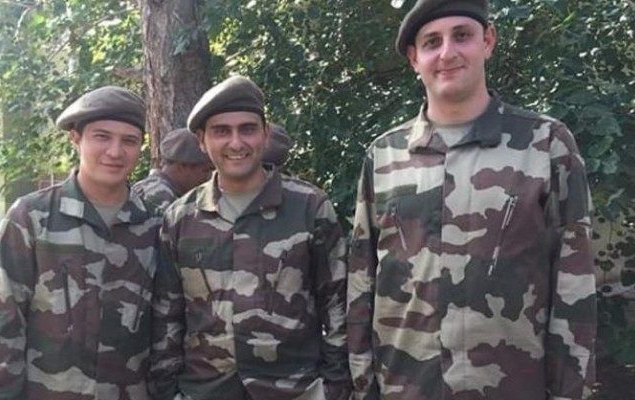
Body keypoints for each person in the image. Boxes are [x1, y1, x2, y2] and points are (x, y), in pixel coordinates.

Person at [346, 1, 596, 399]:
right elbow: (363, 278)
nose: (447, 53)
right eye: (432, 42)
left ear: (488, 41)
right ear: (414, 58)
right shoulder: (384, 155)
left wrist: (569, 392)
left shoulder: (545, 144)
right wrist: (363, 386)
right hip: (407, 387)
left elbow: (574, 281)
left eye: (461, 36)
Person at [151, 76, 351, 400]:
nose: (236, 143)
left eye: (247, 129)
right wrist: (168, 391)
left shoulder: (309, 207)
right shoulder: (181, 218)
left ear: (265, 134)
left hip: (294, 389)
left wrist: (334, 387)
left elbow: (338, 303)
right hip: (206, 391)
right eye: (221, 131)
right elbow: (166, 316)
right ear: (201, 141)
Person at [0, 86, 161, 399]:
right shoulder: (32, 218)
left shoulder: (156, 223)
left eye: (129, 140)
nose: (115, 151)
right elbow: (1, 324)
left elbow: (166, 328)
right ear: (75, 139)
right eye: (102, 137)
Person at [133, 128, 213, 214]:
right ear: (183, 166)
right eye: (206, 170)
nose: (209, 177)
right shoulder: (163, 200)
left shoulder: (146, 186)